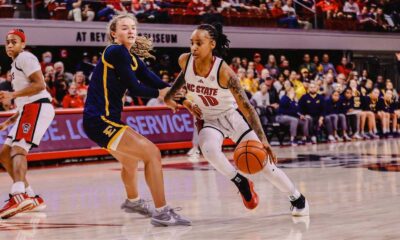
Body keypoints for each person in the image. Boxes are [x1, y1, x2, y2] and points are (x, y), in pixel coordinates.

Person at [164, 23, 309, 216]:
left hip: (232, 117)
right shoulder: (185, 60)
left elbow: (247, 108)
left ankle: (297, 198)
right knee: (208, 150)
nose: (194, 47)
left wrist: (264, 141)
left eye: (199, 43)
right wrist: (173, 98)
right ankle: (241, 181)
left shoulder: (224, 72)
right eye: (192, 43)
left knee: (264, 163)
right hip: (208, 119)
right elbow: (184, 78)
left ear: (212, 44)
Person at [82, 14, 190, 227]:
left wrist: (176, 94)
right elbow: (135, 87)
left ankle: (133, 202)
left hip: (103, 120)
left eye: (133, 27)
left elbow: (152, 79)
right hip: (100, 120)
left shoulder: (131, 57)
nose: (131, 31)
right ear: (114, 33)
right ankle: (162, 212)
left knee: (130, 161)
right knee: (152, 153)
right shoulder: (115, 51)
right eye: (124, 28)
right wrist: (163, 95)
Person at [0, 29, 54, 219]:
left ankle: (18, 195)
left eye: (14, 41)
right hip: (27, 109)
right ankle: (31, 197)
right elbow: (24, 101)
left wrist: (12, 95)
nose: (9, 45)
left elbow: (40, 86)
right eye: (7, 42)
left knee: (18, 150)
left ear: (23, 44)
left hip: (37, 107)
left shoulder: (25, 57)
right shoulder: (15, 65)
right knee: (4, 154)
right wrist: (9, 121)